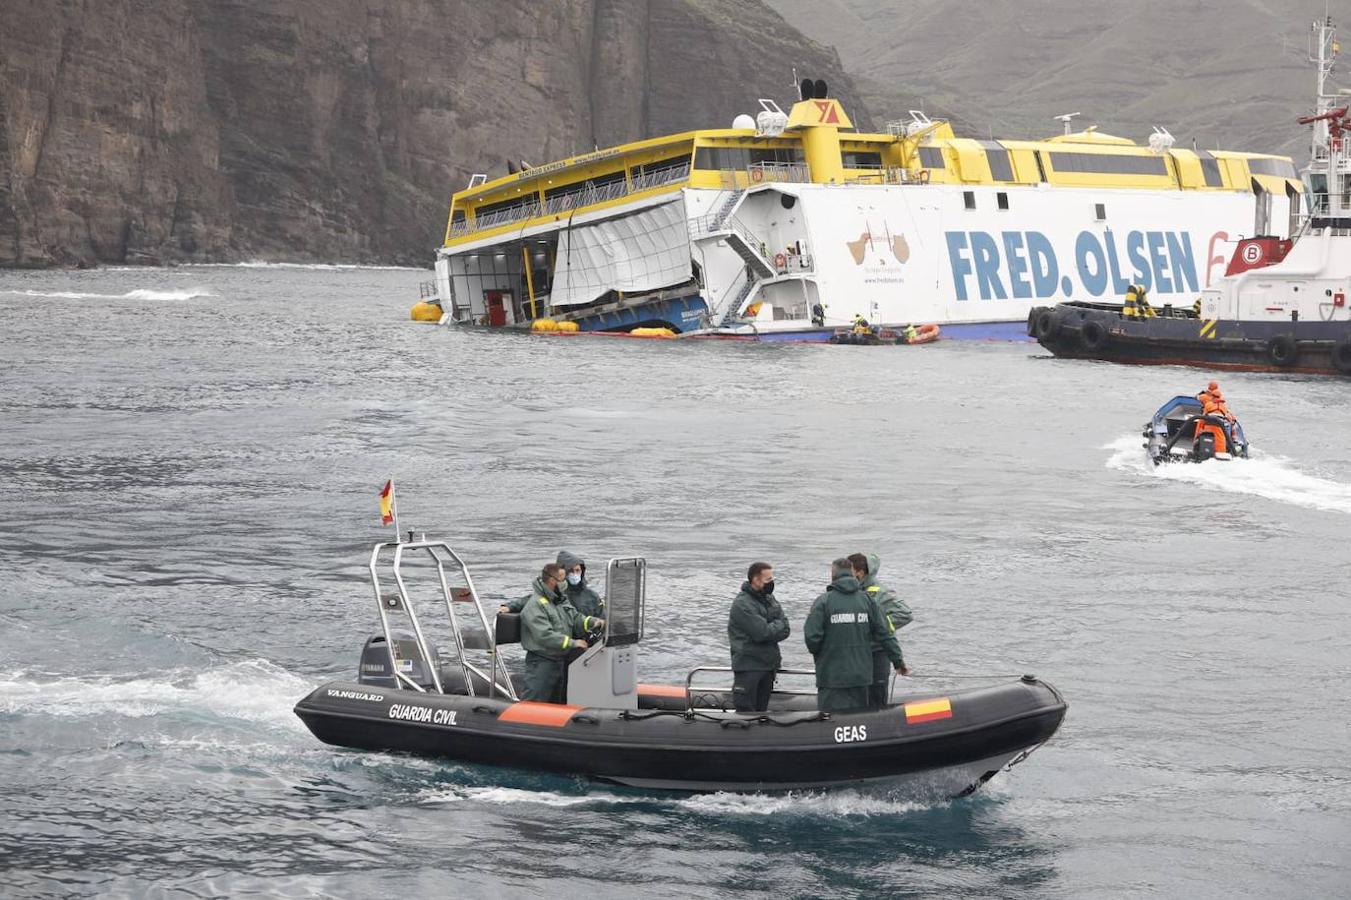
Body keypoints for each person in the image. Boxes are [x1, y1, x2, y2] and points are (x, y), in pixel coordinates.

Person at [804, 558, 907, 714]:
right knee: (860, 718)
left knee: (830, 721)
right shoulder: (868, 601)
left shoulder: (822, 602)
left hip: (832, 677)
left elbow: (812, 639)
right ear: (852, 573)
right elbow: (886, 634)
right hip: (861, 676)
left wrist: (824, 655)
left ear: (833, 574)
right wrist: (898, 662)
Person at [516, 563, 603, 703]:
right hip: (542, 664)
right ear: (552, 581)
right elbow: (545, 636)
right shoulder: (535, 605)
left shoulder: (560, 600)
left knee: (558, 702)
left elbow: (575, 619)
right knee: (533, 704)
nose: (565, 582)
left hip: (560, 661)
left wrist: (593, 622)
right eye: (562, 579)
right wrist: (573, 643)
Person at [849, 553, 913, 708]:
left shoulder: (880, 592)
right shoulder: (851, 592)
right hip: (857, 653)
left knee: (876, 697)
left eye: (849, 570)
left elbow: (905, 614)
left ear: (860, 572)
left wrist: (878, 626)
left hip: (877, 652)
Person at [728, 561, 791, 713]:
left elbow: (786, 628)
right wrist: (776, 626)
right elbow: (761, 632)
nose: (772, 583)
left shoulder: (769, 599)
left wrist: (773, 627)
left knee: (762, 710)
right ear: (756, 580)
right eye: (768, 579)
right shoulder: (742, 604)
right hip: (749, 666)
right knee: (746, 711)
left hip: (767, 666)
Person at [556, 550, 604, 621]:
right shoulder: (555, 596)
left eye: (577, 570)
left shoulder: (592, 596)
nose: (575, 574)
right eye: (571, 571)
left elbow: (603, 618)